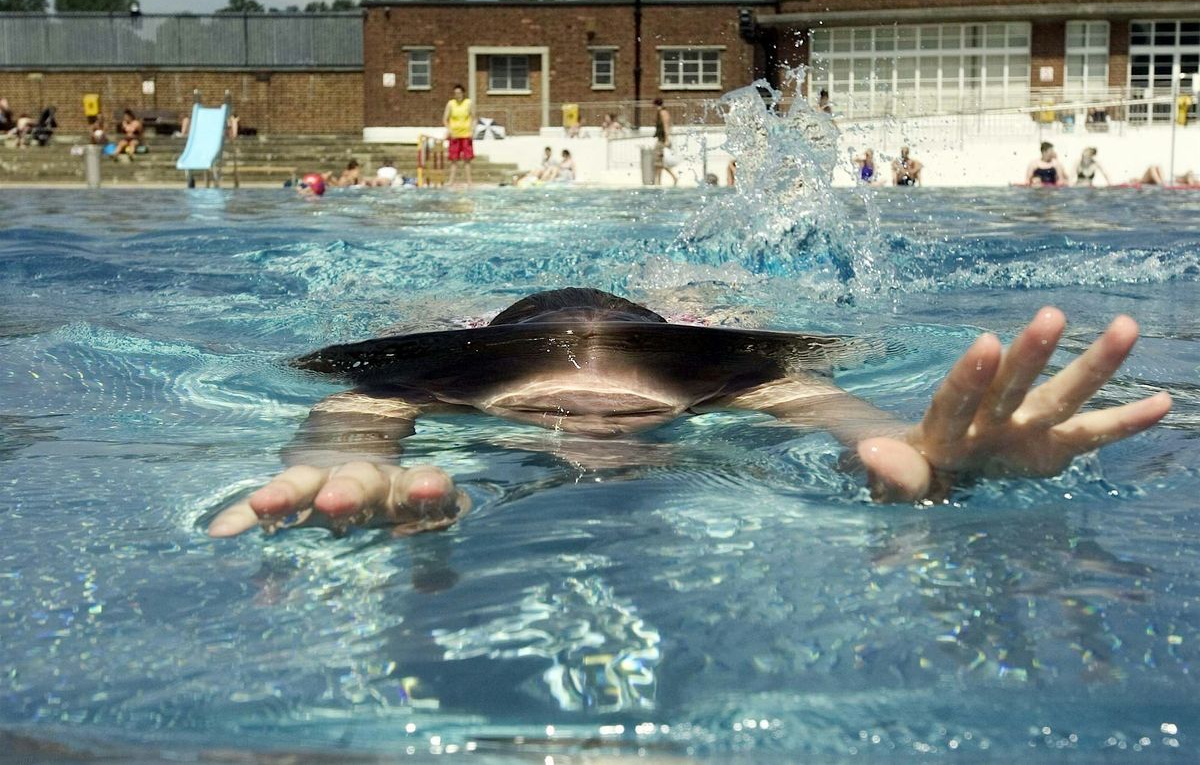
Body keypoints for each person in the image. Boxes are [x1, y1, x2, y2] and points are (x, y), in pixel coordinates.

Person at [207, 287, 1171, 539]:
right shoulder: (417, 381)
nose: (587, 442)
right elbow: (352, 422)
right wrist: (341, 468)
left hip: (689, 328)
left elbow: (852, 420)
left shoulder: (739, 378)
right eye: (555, 417)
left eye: (625, 421)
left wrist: (937, 456)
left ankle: (685, 300)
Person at [442, 83, 475, 189]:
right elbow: (445, 119)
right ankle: (451, 181)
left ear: (463, 93)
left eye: (459, 93)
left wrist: (472, 131)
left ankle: (469, 182)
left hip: (466, 134)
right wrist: (449, 131)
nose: (458, 95)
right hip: (455, 135)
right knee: (454, 159)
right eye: (455, 93)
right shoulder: (451, 104)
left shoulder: (468, 103)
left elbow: (474, 118)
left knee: (467, 159)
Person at [653, 98, 678, 187]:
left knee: (658, 162)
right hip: (661, 139)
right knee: (659, 163)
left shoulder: (663, 113)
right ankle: (658, 181)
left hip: (662, 140)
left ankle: (659, 181)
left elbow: (666, 126)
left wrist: (667, 139)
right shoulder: (662, 112)